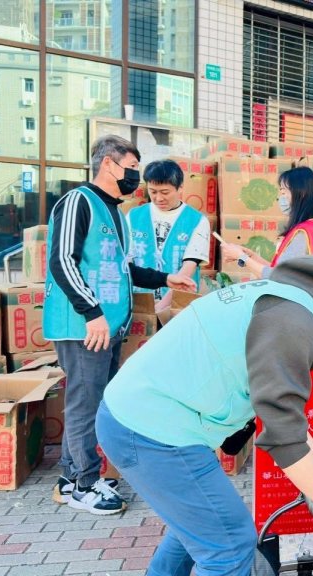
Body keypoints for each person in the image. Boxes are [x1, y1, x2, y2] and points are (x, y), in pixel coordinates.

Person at [95, 236, 313, 575]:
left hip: (143, 417)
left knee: (204, 527)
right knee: (229, 546)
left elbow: (278, 413)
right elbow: (283, 439)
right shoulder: (291, 320)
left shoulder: (292, 296)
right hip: (150, 431)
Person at [43, 135, 196, 515]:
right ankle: (84, 484)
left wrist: (166, 279)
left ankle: (71, 477)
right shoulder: (80, 201)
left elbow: (122, 269)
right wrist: (92, 313)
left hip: (105, 328)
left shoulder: (114, 212)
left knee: (92, 402)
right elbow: (62, 260)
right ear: (108, 164)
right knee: (85, 403)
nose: (135, 177)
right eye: (130, 168)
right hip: (85, 327)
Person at [221, 166, 313, 278]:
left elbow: (277, 277)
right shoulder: (311, 227)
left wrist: (242, 257)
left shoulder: (302, 233)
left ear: (302, 193)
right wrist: (251, 256)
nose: (280, 198)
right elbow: (277, 270)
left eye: (283, 192)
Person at [127, 159, 211, 301]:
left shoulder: (196, 220)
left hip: (176, 303)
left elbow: (188, 269)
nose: (158, 198)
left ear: (180, 188)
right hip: (139, 300)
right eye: (152, 192)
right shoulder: (134, 216)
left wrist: (161, 309)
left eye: (165, 192)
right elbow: (125, 262)